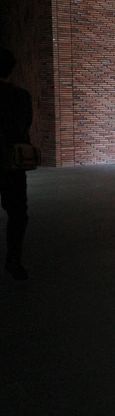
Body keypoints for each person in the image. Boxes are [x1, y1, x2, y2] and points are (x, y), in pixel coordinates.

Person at [0, 48, 33, 280]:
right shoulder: (21, 96)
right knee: (18, 213)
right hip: (12, 162)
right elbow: (24, 128)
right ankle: (13, 259)